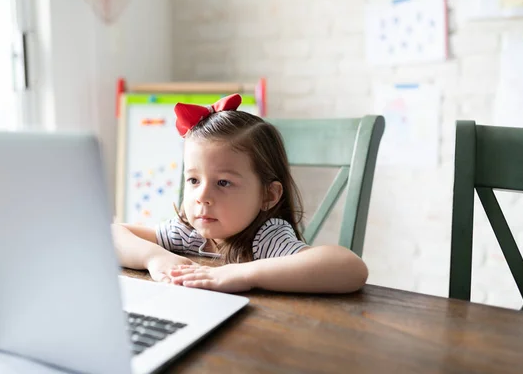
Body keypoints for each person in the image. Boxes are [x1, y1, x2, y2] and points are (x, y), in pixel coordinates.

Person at [112, 94, 368, 294]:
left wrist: (241, 274)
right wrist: (154, 257)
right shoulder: (187, 232)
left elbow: (352, 268)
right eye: (193, 179)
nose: (202, 196)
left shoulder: (265, 240)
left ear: (268, 195)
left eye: (223, 182)